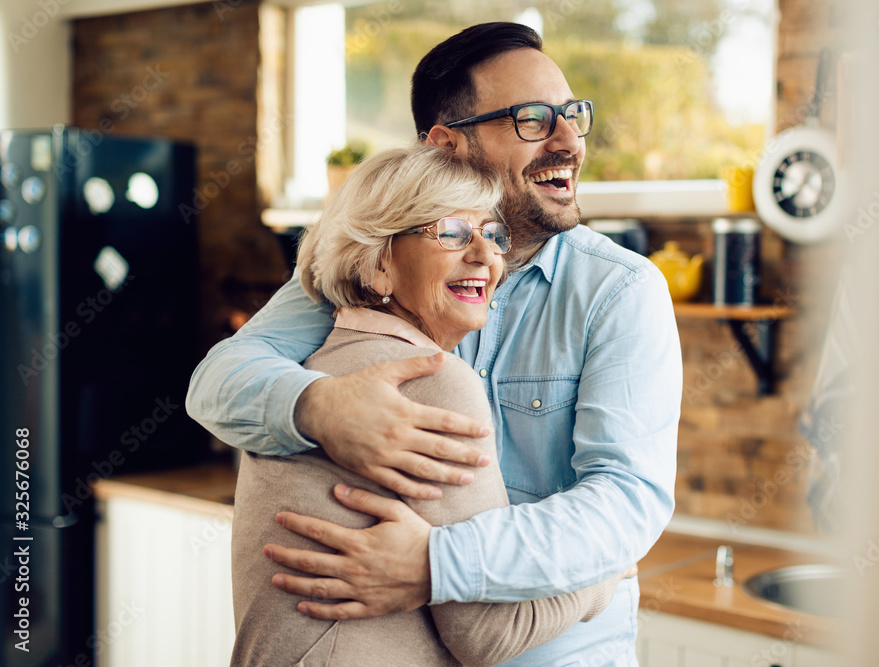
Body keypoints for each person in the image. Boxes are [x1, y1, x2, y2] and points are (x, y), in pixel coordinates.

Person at [188, 22, 681, 664]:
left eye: (572, 116)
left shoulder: (619, 290)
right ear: (447, 145)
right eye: (532, 120)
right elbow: (218, 381)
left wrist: (435, 564)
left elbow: (627, 500)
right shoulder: (380, 261)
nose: (568, 142)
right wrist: (319, 408)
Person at [231, 145, 626, 666]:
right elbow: (488, 635)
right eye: (451, 232)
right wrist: (608, 570)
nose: (486, 257)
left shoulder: (314, 368)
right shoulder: (432, 380)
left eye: (492, 233)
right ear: (377, 266)